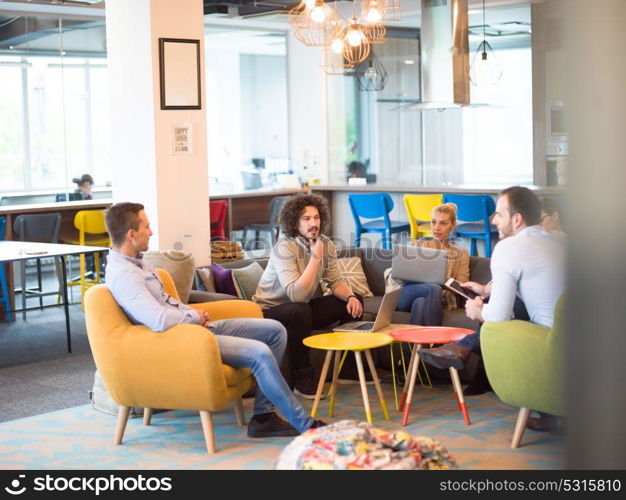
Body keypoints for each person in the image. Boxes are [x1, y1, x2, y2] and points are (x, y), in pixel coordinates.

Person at [103, 202, 325, 438]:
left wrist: (193, 315)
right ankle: (305, 425)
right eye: (146, 227)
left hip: (193, 328)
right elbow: (158, 320)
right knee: (260, 353)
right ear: (131, 234)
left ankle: (263, 417)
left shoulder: (139, 263)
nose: (151, 232)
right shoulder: (125, 275)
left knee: (275, 331)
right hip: (181, 339)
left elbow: (166, 303)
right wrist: (193, 315)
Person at [418, 187, 566, 429]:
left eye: (498, 214)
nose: (492, 220)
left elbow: (498, 317)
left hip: (552, 347)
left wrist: (478, 311)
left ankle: (461, 348)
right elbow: (533, 276)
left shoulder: (509, 247)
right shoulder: (559, 238)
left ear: (516, 219)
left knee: (491, 324)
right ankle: (460, 349)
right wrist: (486, 291)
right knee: (515, 305)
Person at [252, 193, 364, 399]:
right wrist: (315, 257)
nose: (314, 223)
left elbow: (336, 281)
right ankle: (302, 379)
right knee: (299, 309)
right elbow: (297, 295)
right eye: (306, 218)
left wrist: (350, 297)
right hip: (269, 311)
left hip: (300, 311)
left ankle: (348, 369)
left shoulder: (325, 243)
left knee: (353, 300)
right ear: (294, 222)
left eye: (316, 217)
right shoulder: (284, 247)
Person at [388, 203, 470, 326]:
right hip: (406, 293)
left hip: (437, 298)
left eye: (443, 223)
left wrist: (443, 279)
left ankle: (417, 344)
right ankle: (435, 343)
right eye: (433, 222)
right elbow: (396, 273)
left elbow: (462, 285)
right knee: (433, 288)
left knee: (421, 302)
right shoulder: (415, 245)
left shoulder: (462, 253)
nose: (436, 227)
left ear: (452, 226)